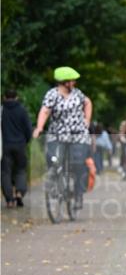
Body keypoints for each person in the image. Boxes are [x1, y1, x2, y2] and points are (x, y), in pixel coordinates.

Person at [33, 67, 93, 210]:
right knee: (53, 158)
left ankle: (78, 195)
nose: (74, 83)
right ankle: (54, 182)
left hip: (78, 134)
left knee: (78, 164)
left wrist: (87, 120)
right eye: (72, 80)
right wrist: (39, 127)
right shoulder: (52, 95)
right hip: (58, 133)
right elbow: (45, 110)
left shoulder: (77, 94)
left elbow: (88, 103)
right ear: (65, 82)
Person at [2, 90, 32, 207]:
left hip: (5, 146)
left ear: (4, 97)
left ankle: (9, 200)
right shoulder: (22, 110)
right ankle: (19, 193)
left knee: (5, 172)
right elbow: (28, 129)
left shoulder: (1, 110)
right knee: (21, 170)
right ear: (17, 97)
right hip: (20, 145)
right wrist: (26, 141)